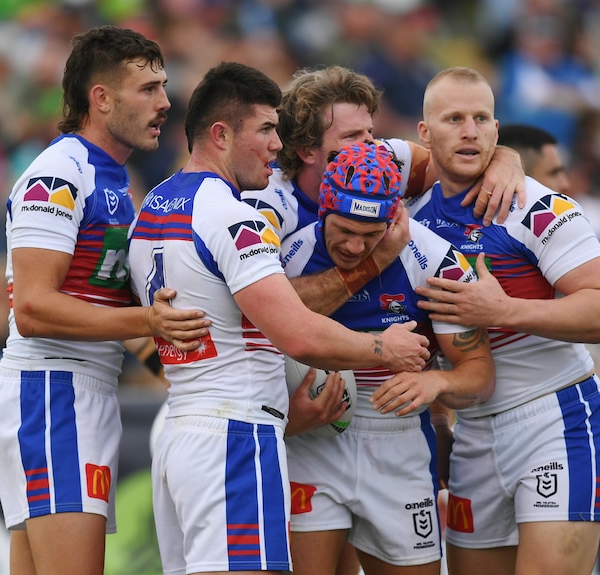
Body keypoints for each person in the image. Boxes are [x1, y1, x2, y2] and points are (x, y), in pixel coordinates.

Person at [127, 61, 431, 575]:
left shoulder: (153, 207)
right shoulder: (232, 214)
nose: (277, 144)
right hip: (235, 437)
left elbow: (143, 328)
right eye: (266, 129)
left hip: (184, 430)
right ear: (221, 134)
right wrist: (385, 348)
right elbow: (297, 332)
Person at [0, 26, 212, 575]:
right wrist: (151, 317)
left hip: (76, 391)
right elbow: (33, 309)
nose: (164, 102)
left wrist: (189, 382)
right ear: (100, 98)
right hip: (52, 390)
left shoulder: (110, 177)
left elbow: (112, 312)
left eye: (163, 87)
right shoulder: (59, 173)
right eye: (148, 89)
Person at [407, 67, 600, 575]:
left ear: (496, 129)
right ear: (425, 134)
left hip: (557, 416)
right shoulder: (409, 219)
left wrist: (503, 310)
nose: (470, 130)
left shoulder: (535, 204)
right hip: (474, 433)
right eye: (454, 118)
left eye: (482, 118)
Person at [281, 142, 496, 575]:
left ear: (394, 217)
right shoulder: (291, 254)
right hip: (311, 442)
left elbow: (480, 375)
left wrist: (436, 383)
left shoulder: (434, 259)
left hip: (398, 442)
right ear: (323, 209)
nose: (356, 246)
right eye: (344, 229)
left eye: (372, 233)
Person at [496, 123, 600, 494]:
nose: (568, 182)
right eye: (555, 172)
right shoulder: (504, 229)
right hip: (480, 432)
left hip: (555, 428)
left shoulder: (558, 231)